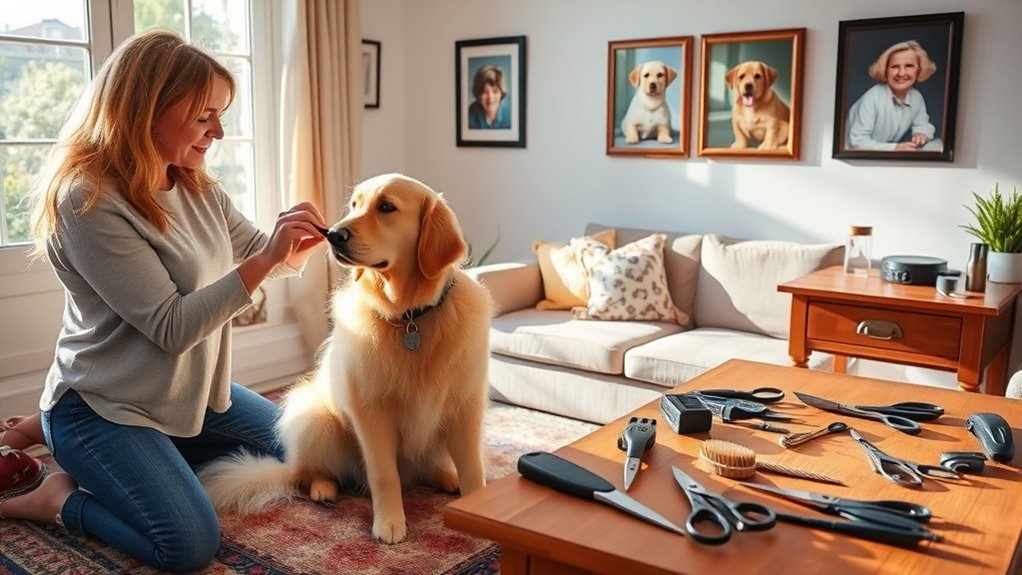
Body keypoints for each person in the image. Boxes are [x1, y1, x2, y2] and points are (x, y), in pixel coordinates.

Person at [0, 29, 327, 573]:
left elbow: (265, 253)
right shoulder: (87, 199)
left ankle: (103, 453)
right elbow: (172, 326)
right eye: (204, 116)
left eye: (220, 115)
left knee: (309, 448)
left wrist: (317, 240)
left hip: (187, 398)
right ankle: (57, 495)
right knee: (187, 543)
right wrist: (266, 259)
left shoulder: (197, 185)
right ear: (147, 109)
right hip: (104, 406)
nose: (219, 131)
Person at [845, 40, 939, 151]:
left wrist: (921, 133)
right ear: (885, 70)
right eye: (894, 67)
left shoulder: (916, 97)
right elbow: (857, 143)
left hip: (881, 157)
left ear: (919, 69)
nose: (901, 73)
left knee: (938, 145)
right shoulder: (873, 97)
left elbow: (923, 124)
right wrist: (895, 148)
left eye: (909, 66)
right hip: (853, 160)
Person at [467, 64, 510, 129]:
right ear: (478, 94)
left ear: (501, 93)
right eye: (484, 92)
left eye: (495, 91)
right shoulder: (469, 115)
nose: (490, 97)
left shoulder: (510, 117)